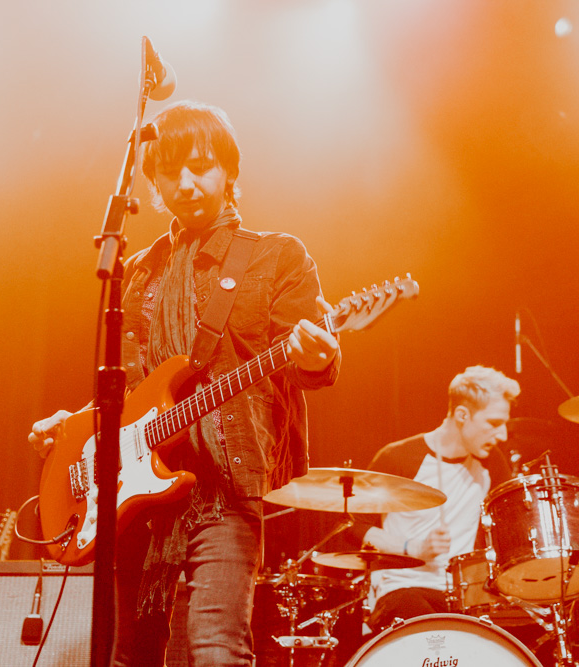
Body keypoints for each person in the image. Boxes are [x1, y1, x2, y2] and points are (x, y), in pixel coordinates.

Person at [27, 101, 341, 666]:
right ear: (151, 183)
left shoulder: (276, 257)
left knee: (217, 649)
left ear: (229, 173)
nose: (188, 182)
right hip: (138, 491)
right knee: (131, 656)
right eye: (171, 172)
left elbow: (308, 363)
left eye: (202, 166)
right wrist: (73, 425)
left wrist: (317, 355)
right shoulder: (140, 269)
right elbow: (128, 395)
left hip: (224, 490)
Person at [357, 365, 519, 631]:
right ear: (462, 415)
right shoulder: (398, 458)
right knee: (431, 628)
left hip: (462, 598)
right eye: (493, 423)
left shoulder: (492, 463)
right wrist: (414, 548)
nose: (501, 435)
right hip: (401, 589)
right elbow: (354, 527)